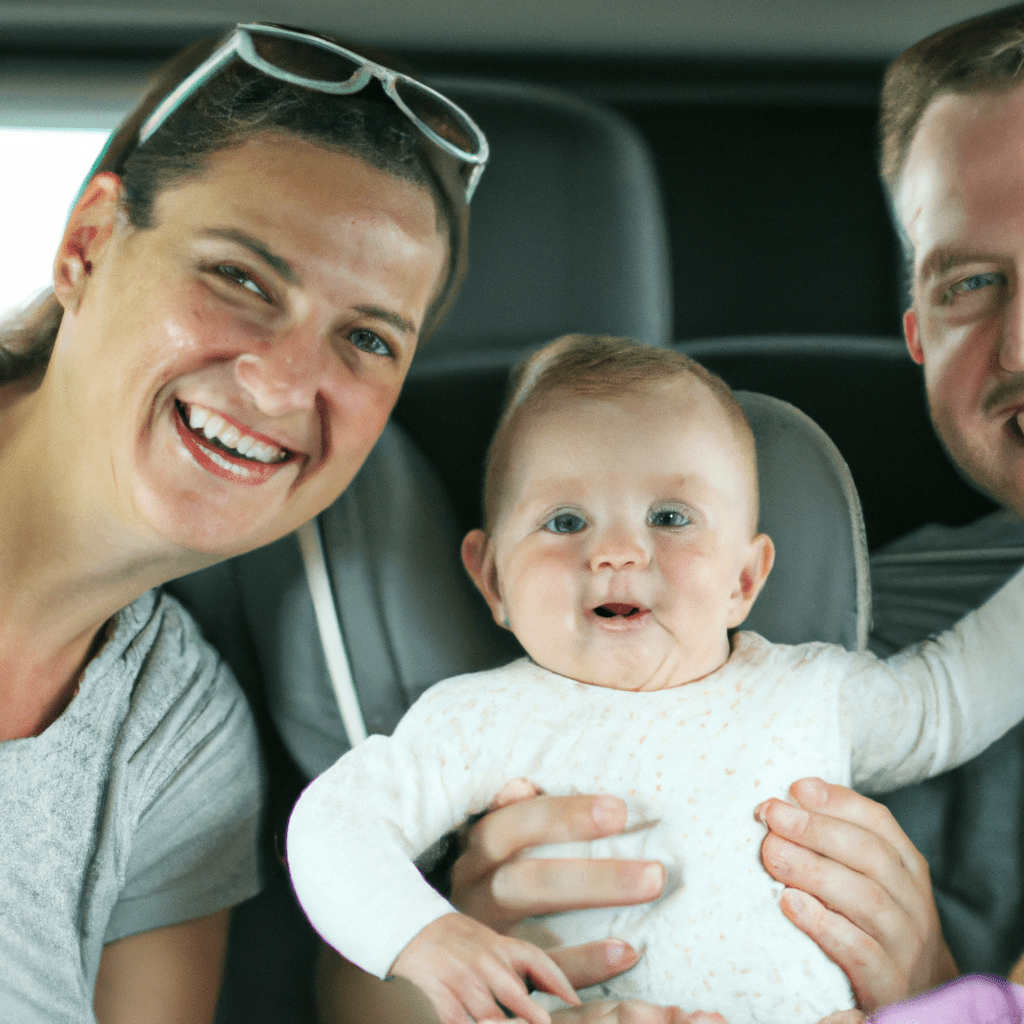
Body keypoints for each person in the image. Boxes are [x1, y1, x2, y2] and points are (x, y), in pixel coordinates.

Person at [286, 334, 1024, 1024]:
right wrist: (427, 935)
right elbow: (336, 823)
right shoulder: (481, 719)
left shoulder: (814, 692)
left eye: (671, 516)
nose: (615, 550)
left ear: (743, 578)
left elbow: (955, 693)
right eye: (565, 521)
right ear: (493, 580)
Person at [0, 21, 486, 1023]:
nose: (284, 381)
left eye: (365, 337)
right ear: (87, 243)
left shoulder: (179, 735)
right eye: (240, 277)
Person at [753, 5, 1024, 1019]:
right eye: (973, 284)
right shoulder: (851, 649)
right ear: (917, 331)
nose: (1020, 346)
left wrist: (941, 998)